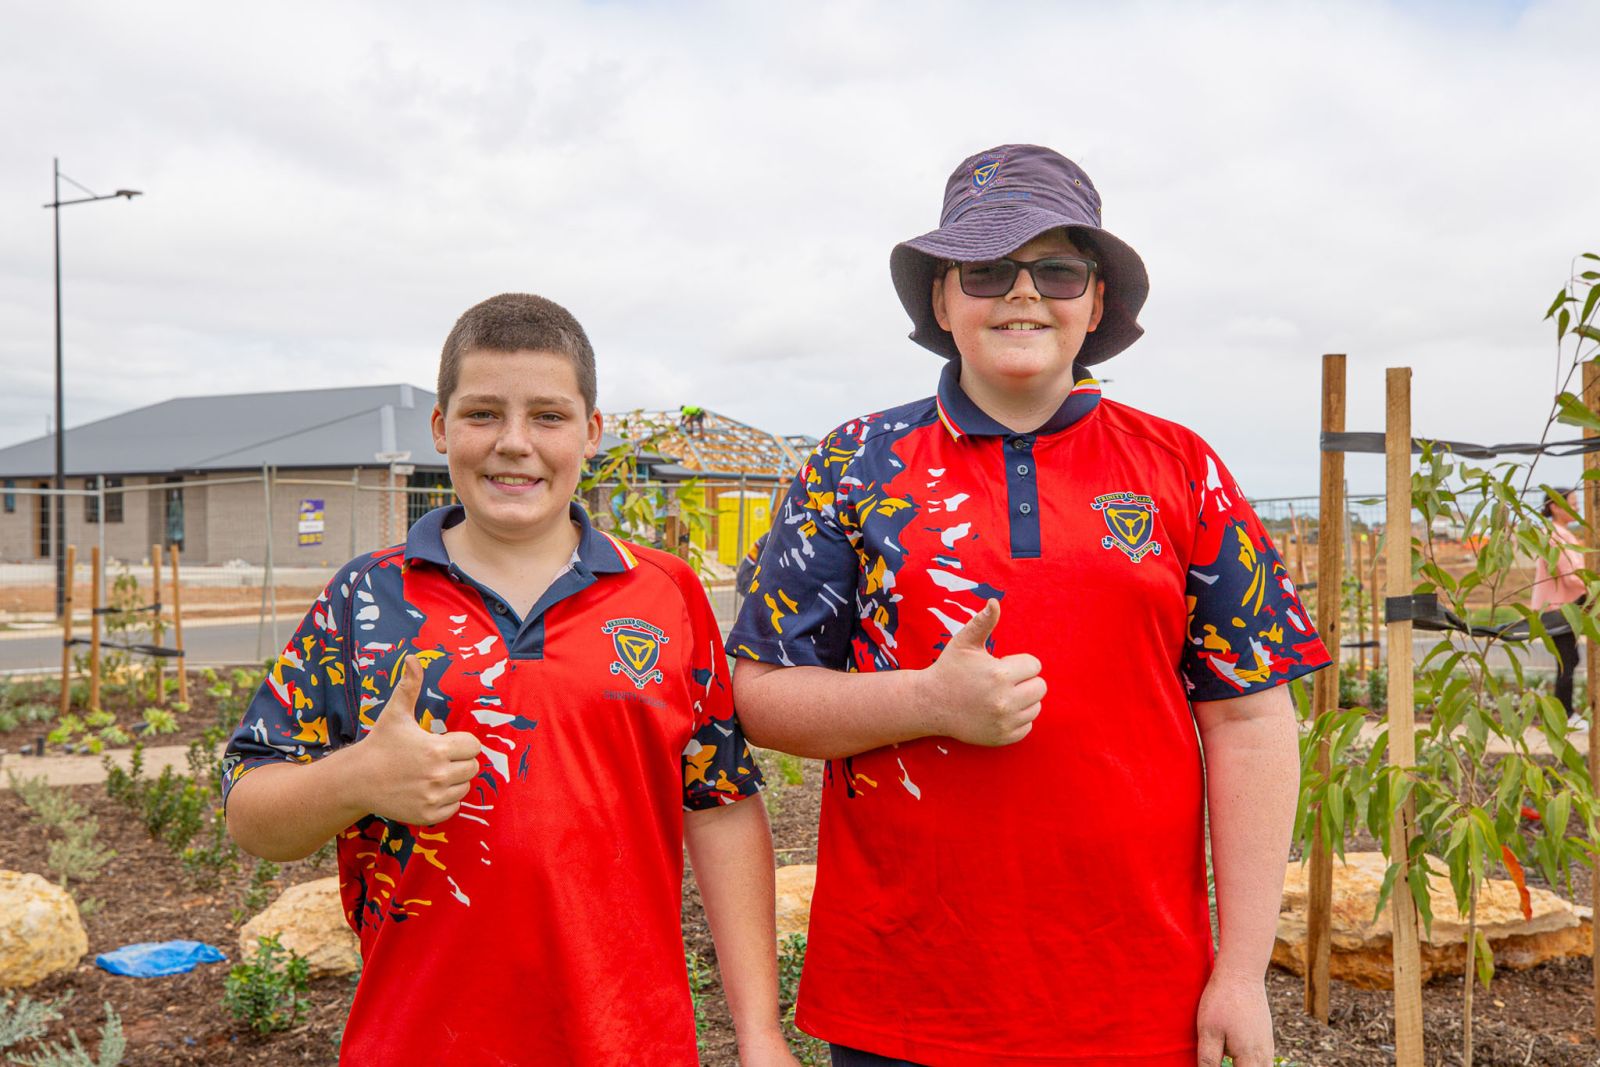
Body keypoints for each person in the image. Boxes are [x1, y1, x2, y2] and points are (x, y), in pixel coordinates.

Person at [727, 146, 1331, 1067]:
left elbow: (1250, 718)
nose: (1022, 293)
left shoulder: (1182, 467)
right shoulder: (851, 465)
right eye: (985, 270)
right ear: (941, 300)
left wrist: (1242, 971)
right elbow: (763, 694)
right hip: (904, 987)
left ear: (1095, 300)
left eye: (1056, 270)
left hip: (1136, 991)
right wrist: (926, 701)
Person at [222, 293, 799, 1066]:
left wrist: (760, 1033)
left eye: (548, 416)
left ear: (592, 431)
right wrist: (357, 777)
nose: (514, 443)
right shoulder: (365, 598)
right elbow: (251, 814)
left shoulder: (666, 594)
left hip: (630, 1042)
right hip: (417, 1043)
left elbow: (720, 807)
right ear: (441, 427)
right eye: (483, 414)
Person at [1533, 488, 1586, 725]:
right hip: (1558, 608)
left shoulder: (1564, 534)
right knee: (1567, 661)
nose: (1577, 508)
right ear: (1555, 506)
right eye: (1572, 503)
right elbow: (1570, 576)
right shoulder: (1554, 536)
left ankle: (1565, 714)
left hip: (1564, 606)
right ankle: (1564, 716)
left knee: (1569, 659)